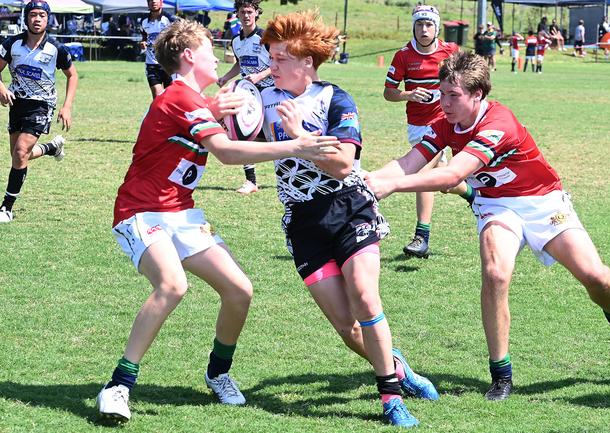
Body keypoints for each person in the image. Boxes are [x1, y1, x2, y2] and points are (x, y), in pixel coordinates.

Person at [365, 51, 610, 402]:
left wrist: (390, 186)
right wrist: (368, 180)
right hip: (496, 205)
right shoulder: (443, 124)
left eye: (453, 96)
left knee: (597, 277)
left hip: (542, 200)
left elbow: (452, 174)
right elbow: (409, 163)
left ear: (477, 95)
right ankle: (501, 374)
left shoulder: (500, 123)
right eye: (442, 93)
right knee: (496, 273)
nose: (445, 103)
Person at [95, 18, 341, 423]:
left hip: (182, 212)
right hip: (140, 210)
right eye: (210, 48)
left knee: (240, 290)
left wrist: (221, 106)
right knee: (172, 285)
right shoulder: (179, 97)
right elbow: (226, 153)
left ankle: (218, 372)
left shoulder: (195, 100)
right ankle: (118, 385)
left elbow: (211, 120)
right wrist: (295, 145)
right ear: (190, 56)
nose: (219, 54)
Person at [260, 10, 440, 427]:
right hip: (303, 223)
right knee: (347, 328)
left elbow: (343, 164)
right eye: (270, 58)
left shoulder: (333, 98)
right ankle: (398, 366)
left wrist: (300, 137)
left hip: (348, 207)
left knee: (364, 294)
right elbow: (234, 137)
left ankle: (391, 399)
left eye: (281, 58)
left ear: (307, 62)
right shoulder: (263, 98)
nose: (272, 66)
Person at [384, 5, 473, 259]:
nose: (424, 29)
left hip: (445, 122)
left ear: (437, 27)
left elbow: (471, 81)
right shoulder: (403, 56)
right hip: (417, 125)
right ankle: (472, 193)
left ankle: (421, 236)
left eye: (429, 25)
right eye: (420, 24)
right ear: (414, 26)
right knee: (442, 181)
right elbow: (388, 92)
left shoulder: (451, 53)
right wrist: (408, 94)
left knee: (423, 173)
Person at [0, 1, 77, 224]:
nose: (37, 19)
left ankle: (7, 207)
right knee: (17, 155)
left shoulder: (56, 49)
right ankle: (51, 147)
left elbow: (72, 75)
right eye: (33, 15)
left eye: (42, 15)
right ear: (26, 18)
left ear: (47, 19)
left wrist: (67, 106)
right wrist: (2, 88)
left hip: (42, 105)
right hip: (17, 103)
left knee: (21, 152)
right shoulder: (12, 44)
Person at [218, 0, 273, 196]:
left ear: (257, 13)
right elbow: (240, 64)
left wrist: (260, 76)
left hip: (270, 92)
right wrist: (226, 77)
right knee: (242, 135)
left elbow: (278, 63)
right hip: (247, 94)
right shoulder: (236, 41)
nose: (247, 15)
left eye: (250, 11)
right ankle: (251, 181)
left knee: (275, 136)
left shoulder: (266, 37)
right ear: (238, 15)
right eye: (243, 12)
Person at [140, 0, 176, 99]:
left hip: (167, 64)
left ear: (161, 2)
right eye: (151, 0)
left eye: (156, 0)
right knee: (157, 96)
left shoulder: (170, 19)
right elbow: (144, 35)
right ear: (148, 3)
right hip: (151, 64)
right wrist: (143, 42)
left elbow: (179, 35)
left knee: (170, 97)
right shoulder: (143, 21)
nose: (153, 2)